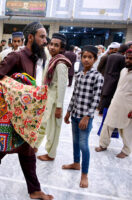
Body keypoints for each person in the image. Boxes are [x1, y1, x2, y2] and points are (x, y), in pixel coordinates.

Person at [0, 22, 53, 200]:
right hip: (8, 116)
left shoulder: (34, 58)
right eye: (42, 36)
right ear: (31, 37)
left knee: (28, 151)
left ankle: (34, 190)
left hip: (23, 116)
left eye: (45, 37)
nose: (45, 41)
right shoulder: (16, 56)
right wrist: (1, 102)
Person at [63, 45, 104, 188]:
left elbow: (96, 99)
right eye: (84, 57)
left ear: (95, 59)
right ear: (80, 58)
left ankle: (85, 174)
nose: (86, 60)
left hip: (85, 117)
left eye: (90, 57)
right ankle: (76, 163)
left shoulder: (98, 77)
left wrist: (87, 117)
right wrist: (68, 112)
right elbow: (74, 95)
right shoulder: (79, 75)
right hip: (74, 114)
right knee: (75, 141)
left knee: (83, 145)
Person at [34, 33, 71, 161]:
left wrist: (59, 107)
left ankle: (51, 154)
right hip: (48, 99)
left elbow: (62, 87)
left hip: (55, 102)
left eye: (56, 45)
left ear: (62, 48)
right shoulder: (52, 59)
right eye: (51, 44)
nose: (52, 47)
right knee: (43, 124)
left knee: (53, 129)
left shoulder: (61, 63)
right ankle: (35, 146)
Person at [95, 49, 132, 158]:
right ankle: (103, 144)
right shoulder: (123, 71)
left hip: (128, 106)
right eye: (127, 58)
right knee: (108, 123)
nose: (128, 61)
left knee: (126, 129)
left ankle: (126, 151)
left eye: (131, 59)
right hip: (116, 102)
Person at [99, 44, 128, 115]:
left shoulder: (111, 56)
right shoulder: (122, 58)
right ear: (125, 51)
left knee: (105, 95)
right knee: (109, 97)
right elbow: (122, 70)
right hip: (115, 79)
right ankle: (103, 112)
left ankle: (101, 110)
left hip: (107, 76)